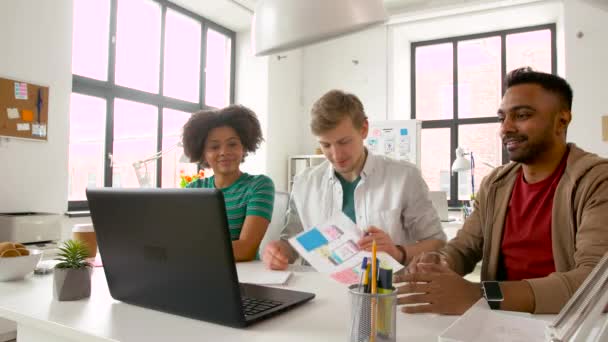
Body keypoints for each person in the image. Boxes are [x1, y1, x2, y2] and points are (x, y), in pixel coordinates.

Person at [396, 67, 608, 315]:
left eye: (522, 115)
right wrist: (439, 263)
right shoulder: (495, 184)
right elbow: (464, 248)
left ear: (562, 121)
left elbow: (596, 284)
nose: (505, 128)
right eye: (502, 118)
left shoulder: (597, 181)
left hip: (565, 324)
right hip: (500, 321)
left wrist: (479, 295)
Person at [262, 89, 446, 270]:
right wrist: (278, 252)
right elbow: (292, 244)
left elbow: (437, 243)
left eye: (344, 142)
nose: (336, 155)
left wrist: (398, 252)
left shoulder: (404, 177)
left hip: (383, 292)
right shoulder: (304, 184)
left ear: (364, 129)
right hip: (321, 294)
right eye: (325, 145)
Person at [182, 105, 275, 262]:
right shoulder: (193, 189)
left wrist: (189, 250)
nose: (224, 152)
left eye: (232, 144)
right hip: (197, 272)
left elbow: (246, 249)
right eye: (214, 146)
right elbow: (181, 238)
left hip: (243, 278)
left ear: (244, 147)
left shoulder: (259, 186)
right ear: (203, 153)